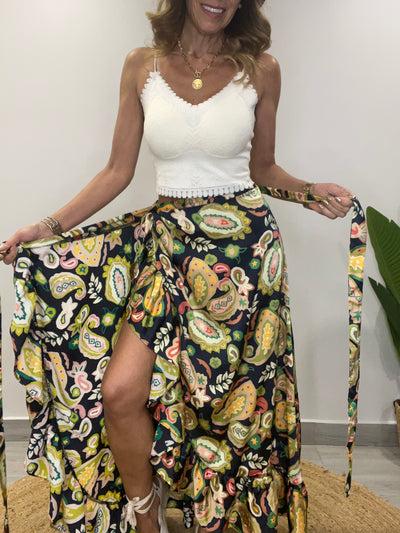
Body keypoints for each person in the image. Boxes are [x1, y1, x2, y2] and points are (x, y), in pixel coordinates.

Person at [0, 1, 354, 532]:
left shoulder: (263, 69)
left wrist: (309, 191)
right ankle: (148, 518)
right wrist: (45, 227)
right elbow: (116, 171)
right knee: (119, 392)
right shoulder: (140, 65)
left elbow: (262, 168)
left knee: (227, 408)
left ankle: (223, 513)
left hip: (245, 260)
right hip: (168, 252)